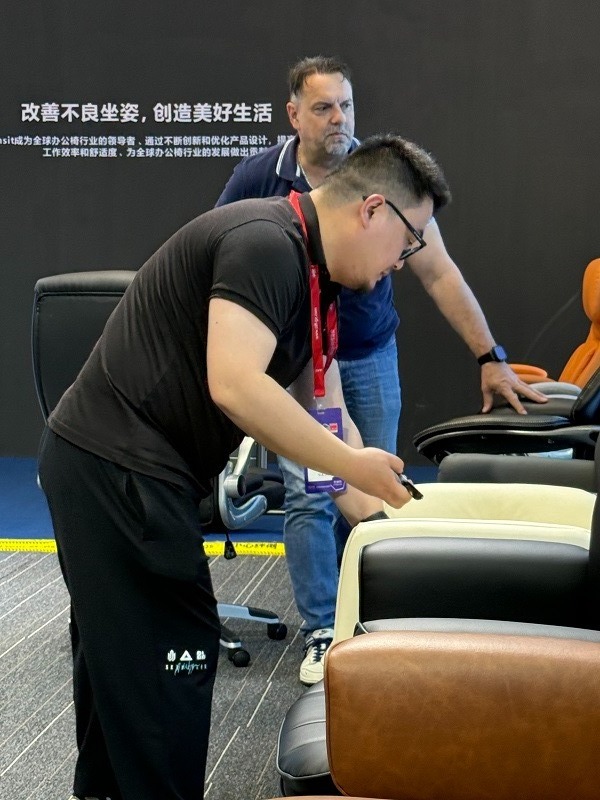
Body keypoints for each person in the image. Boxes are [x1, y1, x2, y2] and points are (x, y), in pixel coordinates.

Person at [39, 133, 451, 800]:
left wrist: (383, 523)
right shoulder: (265, 243)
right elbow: (235, 383)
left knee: (123, 668)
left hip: (130, 469)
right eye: (407, 243)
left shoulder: (313, 277)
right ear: (373, 210)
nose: (401, 264)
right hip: (116, 466)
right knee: (168, 663)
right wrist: (352, 463)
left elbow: (323, 413)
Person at [216, 55, 548, 685]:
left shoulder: (382, 175)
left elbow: (438, 270)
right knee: (315, 488)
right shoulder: (261, 180)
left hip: (366, 356)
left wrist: (490, 356)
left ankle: (371, 613)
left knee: (369, 477)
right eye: (323, 108)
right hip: (298, 361)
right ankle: (323, 629)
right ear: (293, 115)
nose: (338, 119)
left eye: (346, 105)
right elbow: (219, 253)